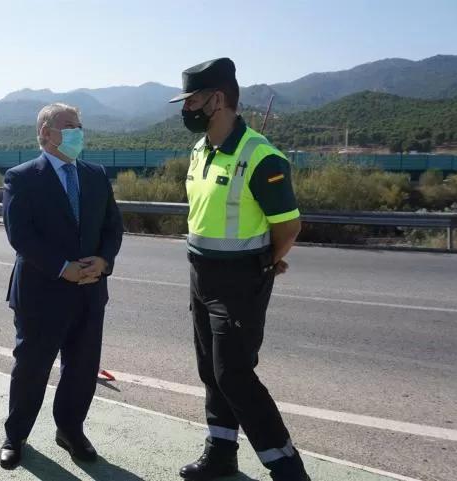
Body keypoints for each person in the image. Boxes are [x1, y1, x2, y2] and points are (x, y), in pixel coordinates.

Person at [169, 58, 308, 481]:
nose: (186, 108)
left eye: (192, 100)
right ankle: (221, 453)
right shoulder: (200, 149)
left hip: (240, 280)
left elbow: (288, 226)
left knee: (234, 374)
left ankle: (287, 468)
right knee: (210, 370)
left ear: (217, 99)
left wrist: (267, 260)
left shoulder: (261, 156)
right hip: (200, 272)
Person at [0, 103, 124, 469]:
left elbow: (112, 227)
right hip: (41, 294)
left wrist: (104, 261)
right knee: (31, 369)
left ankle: (70, 430)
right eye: (69, 126)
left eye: (79, 126)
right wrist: (62, 268)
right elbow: (20, 235)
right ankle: (16, 435)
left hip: (90, 292)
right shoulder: (22, 177)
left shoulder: (96, 175)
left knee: (82, 369)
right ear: (46, 133)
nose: (77, 132)